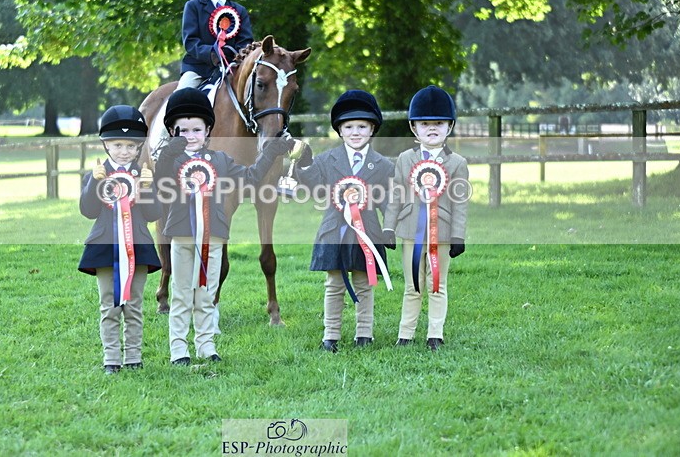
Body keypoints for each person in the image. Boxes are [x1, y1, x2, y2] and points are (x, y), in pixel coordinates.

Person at [153, 88, 292, 365]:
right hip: (182, 235)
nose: (190, 136)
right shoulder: (172, 160)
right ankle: (179, 348)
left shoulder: (221, 160)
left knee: (206, 294)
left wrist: (270, 152)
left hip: (214, 236)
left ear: (208, 131)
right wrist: (167, 155)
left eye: (196, 130)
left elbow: (250, 177)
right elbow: (159, 185)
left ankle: (206, 344)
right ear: (172, 131)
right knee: (182, 294)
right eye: (183, 131)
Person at [293, 90, 394, 353]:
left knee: (364, 283)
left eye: (362, 126)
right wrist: (304, 165)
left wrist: (390, 228)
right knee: (334, 284)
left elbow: (388, 200)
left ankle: (364, 334)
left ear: (372, 129)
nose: (355, 132)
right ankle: (331, 335)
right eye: (349, 127)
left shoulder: (383, 165)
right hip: (334, 232)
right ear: (339, 130)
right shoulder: (326, 160)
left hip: (367, 232)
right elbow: (314, 187)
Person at [383, 85, 469, 352]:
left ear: (450, 126)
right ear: (413, 128)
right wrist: (388, 227)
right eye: (425, 124)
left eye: (439, 123)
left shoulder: (457, 163)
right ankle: (405, 334)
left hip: (441, 233)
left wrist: (458, 235)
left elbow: (460, 203)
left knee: (437, 284)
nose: (432, 128)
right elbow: (396, 194)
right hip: (410, 231)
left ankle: (435, 334)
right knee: (413, 285)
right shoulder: (404, 159)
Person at [78, 105, 161, 374]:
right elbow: (88, 211)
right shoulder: (96, 173)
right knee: (110, 306)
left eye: (130, 146)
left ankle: (134, 357)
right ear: (106, 145)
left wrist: (147, 188)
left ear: (138, 149)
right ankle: (111, 359)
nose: (124, 151)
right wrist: (94, 182)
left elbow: (153, 214)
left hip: (138, 247)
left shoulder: (144, 174)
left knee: (134, 306)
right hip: (104, 248)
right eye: (117, 145)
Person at [176, 0, 254, 91]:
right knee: (181, 95)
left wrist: (236, 56)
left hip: (232, 67)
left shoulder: (240, 10)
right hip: (198, 68)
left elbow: (245, 42)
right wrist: (213, 54)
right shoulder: (193, 6)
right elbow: (191, 42)